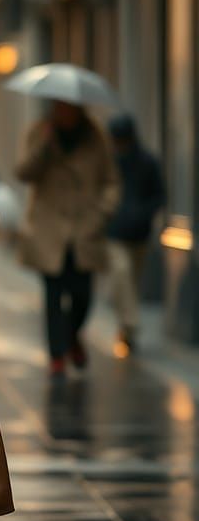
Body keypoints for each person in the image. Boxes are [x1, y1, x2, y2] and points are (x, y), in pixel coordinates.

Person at [14, 100, 119, 379]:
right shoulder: (40, 132)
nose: (63, 112)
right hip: (50, 230)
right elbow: (23, 172)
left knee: (83, 295)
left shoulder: (95, 137)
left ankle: (72, 337)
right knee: (53, 294)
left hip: (85, 229)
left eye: (68, 107)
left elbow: (111, 181)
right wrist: (45, 147)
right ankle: (57, 355)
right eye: (58, 107)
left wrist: (102, 212)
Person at [106, 114, 163, 354]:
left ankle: (125, 331)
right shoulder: (110, 162)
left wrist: (144, 214)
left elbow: (159, 195)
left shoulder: (147, 162)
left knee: (131, 282)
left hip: (139, 233)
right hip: (115, 232)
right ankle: (131, 322)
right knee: (121, 273)